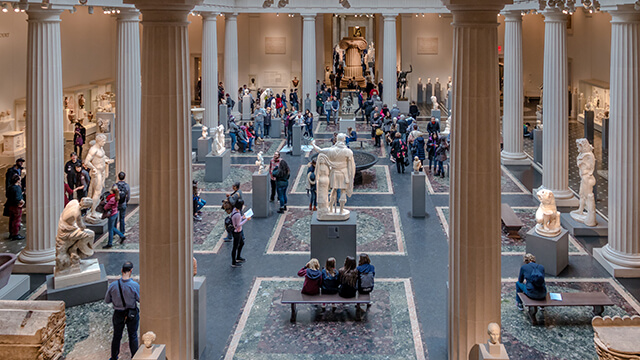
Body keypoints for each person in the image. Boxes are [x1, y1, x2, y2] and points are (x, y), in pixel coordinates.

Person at [105, 261, 140, 360]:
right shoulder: (135, 285)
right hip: (131, 314)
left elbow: (107, 300)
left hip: (118, 314)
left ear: (121, 270)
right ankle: (135, 357)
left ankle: (114, 357)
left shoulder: (113, 285)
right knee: (133, 336)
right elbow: (140, 299)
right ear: (131, 271)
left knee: (116, 336)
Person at [4, 174, 24, 240]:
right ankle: (15, 234)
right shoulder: (17, 188)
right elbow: (18, 198)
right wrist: (22, 202)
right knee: (17, 220)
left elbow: (7, 195)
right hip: (16, 206)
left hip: (10, 205)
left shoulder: (10, 187)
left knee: (12, 220)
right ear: (18, 180)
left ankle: (11, 233)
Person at [231, 199, 250, 267]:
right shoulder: (238, 214)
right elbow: (238, 224)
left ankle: (238, 257)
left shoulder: (235, 210)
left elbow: (237, 220)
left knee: (241, 243)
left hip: (237, 231)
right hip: (237, 232)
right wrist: (246, 220)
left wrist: (242, 217)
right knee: (235, 247)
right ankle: (234, 262)